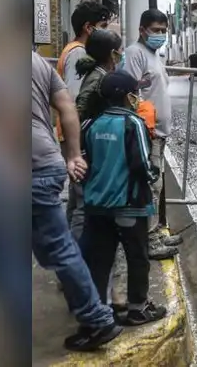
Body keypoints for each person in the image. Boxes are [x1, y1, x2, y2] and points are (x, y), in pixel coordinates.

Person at [31, 51, 123, 351]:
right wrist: (72, 155)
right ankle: (96, 315)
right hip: (46, 163)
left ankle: (97, 316)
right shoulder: (33, 60)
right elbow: (67, 105)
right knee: (54, 248)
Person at [80, 71, 168, 326]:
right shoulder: (133, 123)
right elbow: (140, 163)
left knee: (101, 260)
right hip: (129, 206)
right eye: (135, 92)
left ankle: (98, 313)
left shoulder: (92, 123)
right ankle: (138, 309)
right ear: (127, 95)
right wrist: (153, 175)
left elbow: (86, 161)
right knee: (137, 257)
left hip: (97, 206)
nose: (137, 97)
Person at [122, 9, 178, 257]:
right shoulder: (135, 53)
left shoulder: (155, 54)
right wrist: (145, 129)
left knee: (156, 185)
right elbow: (132, 94)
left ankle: (154, 234)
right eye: (156, 30)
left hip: (159, 133)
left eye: (164, 31)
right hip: (148, 133)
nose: (160, 35)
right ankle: (150, 241)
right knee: (151, 186)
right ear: (142, 30)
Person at [66, 28, 123, 241]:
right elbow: (78, 113)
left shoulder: (101, 74)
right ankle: (77, 257)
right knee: (82, 204)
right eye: (119, 50)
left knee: (76, 200)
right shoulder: (97, 78)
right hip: (86, 148)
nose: (121, 53)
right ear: (111, 53)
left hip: (86, 146)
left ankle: (68, 250)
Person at [55, 1, 112, 143]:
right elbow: (75, 98)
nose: (107, 32)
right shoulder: (78, 53)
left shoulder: (78, 50)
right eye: (103, 26)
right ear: (88, 27)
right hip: (75, 134)